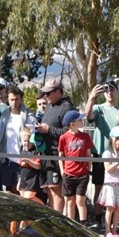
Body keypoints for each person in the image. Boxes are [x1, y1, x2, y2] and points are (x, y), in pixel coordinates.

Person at [83, 81, 119, 228]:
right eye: (106, 90)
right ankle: (98, 218)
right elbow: (88, 116)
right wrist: (91, 98)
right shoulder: (99, 108)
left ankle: (113, 220)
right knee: (99, 186)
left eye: (112, 90)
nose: (109, 93)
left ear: (117, 91)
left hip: (116, 155)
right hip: (100, 153)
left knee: (116, 187)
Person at [34, 80, 73, 212]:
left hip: (56, 155)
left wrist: (48, 130)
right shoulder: (50, 106)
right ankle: (53, 217)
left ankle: (58, 219)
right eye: (45, 93)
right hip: (46, 154)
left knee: (56, 191)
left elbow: (68, 132)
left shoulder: (66, 107)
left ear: (58, 92)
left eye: (48, 93)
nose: (46, 96)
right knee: (50, 189)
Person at [57, 109, 94, 224]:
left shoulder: (85, 136)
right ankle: (71, 224)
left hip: (82, 173)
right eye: (79, 119)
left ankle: (83, 224)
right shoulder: (63, 137)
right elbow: (61, 156)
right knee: (69, 201)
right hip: (68, 173)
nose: (82, 120)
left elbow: (88, 155)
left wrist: (89, 169)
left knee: (80, 200)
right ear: (72, 123)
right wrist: (62, 171)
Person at [98, 129, 119, 237]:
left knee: (118, 209)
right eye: (117, 139)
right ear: (111, 140)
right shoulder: (107, 153)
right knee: (110, 207)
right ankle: (107, 231)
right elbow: (108, 168)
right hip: (110, 184)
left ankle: (114, 230)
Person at [0, 86, 28, 193]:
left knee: (21, 190)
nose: (14, 102)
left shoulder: (27, 115)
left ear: (21, 99)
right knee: (8, 191)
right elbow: (1, 136)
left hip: (21, 159)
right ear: (8, 99)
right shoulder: (4, 115)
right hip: (7, 160)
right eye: (12, 99)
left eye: (16, 99)